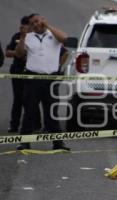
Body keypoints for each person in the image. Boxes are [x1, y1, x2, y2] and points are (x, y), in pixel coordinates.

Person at [15, 13, 70, 150]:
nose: (35, 24)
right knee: (29, 111)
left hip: (50, 79)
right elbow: (19, 54)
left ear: (43, 21)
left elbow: (65, 38)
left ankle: (57, 143)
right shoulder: (28, 37)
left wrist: (48, 26)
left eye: (37, 21)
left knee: (51, 112)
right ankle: (24, 142)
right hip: (33, 79)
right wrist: (22, 36)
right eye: (32, 23)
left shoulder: (53, 35)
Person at [6, 16, 41, 133]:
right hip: (17, 69)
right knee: (18, 99)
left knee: (31, 99)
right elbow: (8, 52)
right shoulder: (17, 36)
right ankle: (14, 125)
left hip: (31, 71)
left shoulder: (36, 36)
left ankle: (36, 124)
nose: (23, 28)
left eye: (25, 25)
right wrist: (17, 52)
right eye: (21, 26)